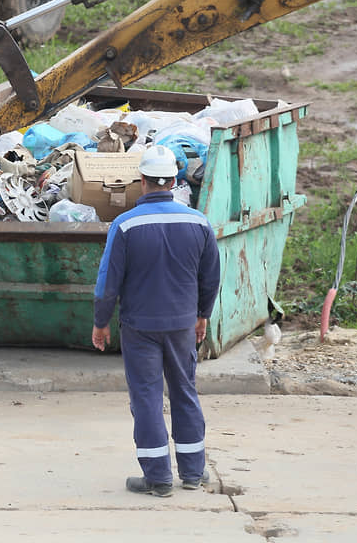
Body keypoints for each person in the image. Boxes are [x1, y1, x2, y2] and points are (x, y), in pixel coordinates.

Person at [92, 145, 221, 498]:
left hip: (140, 327)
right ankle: (193, 473)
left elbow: (108, 283)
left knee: (147, 398)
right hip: (182, 326)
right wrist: (202, 315)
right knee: (184, 391)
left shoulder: (125, 224)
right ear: (175, 181)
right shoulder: (199, 222)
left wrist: (101, 322)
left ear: (143, 181)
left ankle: (158, 478)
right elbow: (211, 278)